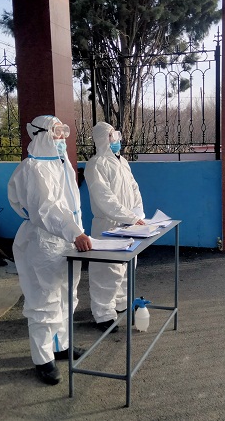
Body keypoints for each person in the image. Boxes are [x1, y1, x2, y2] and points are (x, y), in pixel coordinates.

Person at [7, 115, 92, 385]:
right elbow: (45, 209)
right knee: (44, 301)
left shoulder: (60, 164)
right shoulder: (32, 169)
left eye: (63, 131)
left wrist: (75, 232)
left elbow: (70, 206)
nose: (62, 137)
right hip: (43, 243)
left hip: (66, 240)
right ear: (41, 134)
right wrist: (74, 232)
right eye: (56, 132)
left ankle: (61, 345)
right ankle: (43, 359)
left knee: (67, 296)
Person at [85, 122, 145, 332]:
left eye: (116, 135)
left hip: (128, 224)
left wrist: (137, 214)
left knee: (126, 267)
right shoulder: (96, 164)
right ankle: (103, 314)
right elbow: (105, 198)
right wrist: (130, 217)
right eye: (112, 136)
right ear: (102, 139)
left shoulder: (122, 162)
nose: (117, 139)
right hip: (108, 225)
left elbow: (134, 188)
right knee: (107, 271)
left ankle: (121, 302)